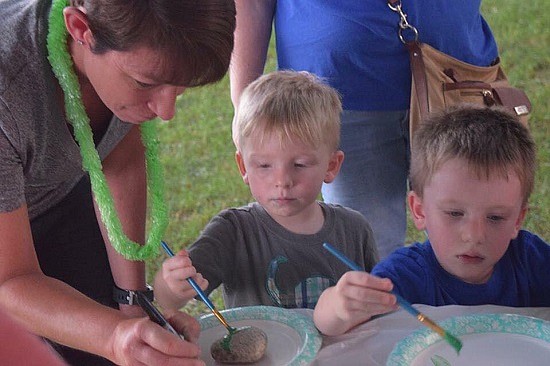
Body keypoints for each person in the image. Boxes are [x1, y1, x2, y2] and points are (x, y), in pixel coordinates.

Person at [0, 0, 235, 365]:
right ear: (80, 29)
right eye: (146, 83)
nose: (166, 111)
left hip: (57, 191)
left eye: (181, 86)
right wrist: (115, 336)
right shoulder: (7, 89)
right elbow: (10, 282)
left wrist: (132, 304)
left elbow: (120, 158)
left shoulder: (123, 55)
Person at [229, 1, 500, 259]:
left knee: (475, 245)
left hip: (458, 78)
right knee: (369, 258)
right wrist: (243, 102)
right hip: (338, 96)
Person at [313, 106, 550, 336]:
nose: (474, 235)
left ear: (518, 219)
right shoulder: (406, 275)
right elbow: (330, 326)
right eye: (455, 213)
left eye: (496, 217)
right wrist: (337, 306)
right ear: (420, 210)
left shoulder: (530, 260)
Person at [154, 71, 379, 311]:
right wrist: (171, 286)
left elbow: (377, 304)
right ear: (244, 167)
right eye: (264, 166)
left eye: (299, 165)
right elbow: (169, 299)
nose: (282, 181)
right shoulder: (233, 232)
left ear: (331, 166)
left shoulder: (354, 229)